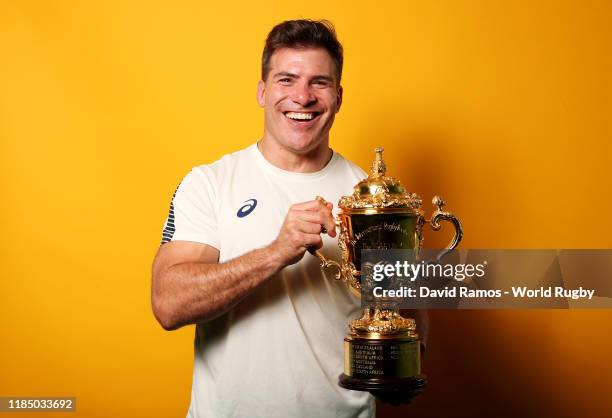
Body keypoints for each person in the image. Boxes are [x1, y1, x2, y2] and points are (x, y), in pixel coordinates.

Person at [152, 19, 420, 418]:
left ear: (339, 96)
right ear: (263, 92)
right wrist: (277, 252)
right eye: (286, 80)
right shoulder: (209, 182)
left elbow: (409, 309)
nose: (302, 96)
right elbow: (167, 303)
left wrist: (403, 368)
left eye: (320, 83)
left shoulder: (370, 199)